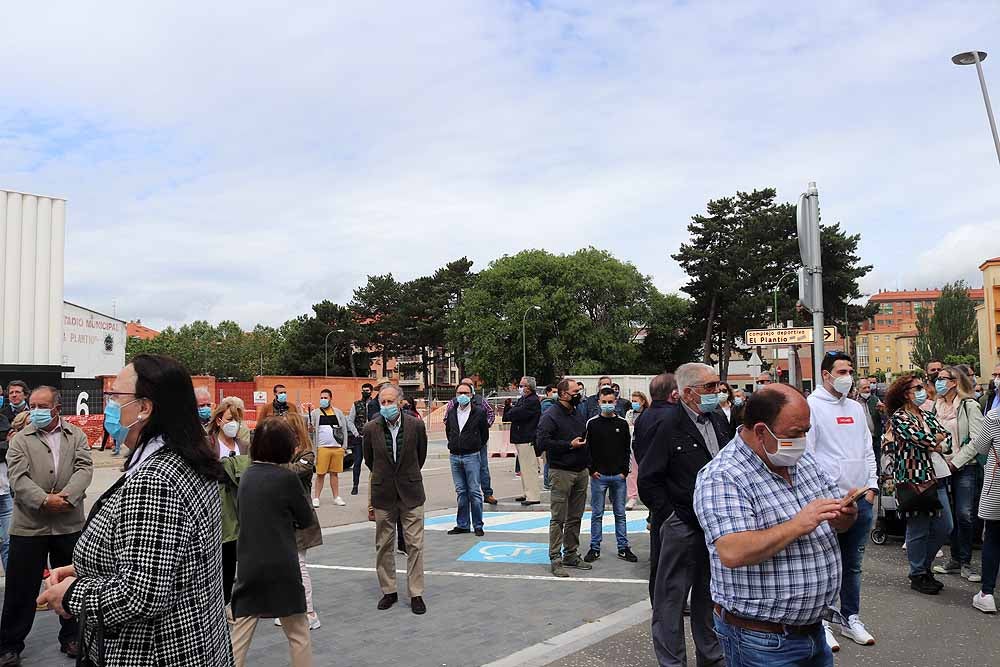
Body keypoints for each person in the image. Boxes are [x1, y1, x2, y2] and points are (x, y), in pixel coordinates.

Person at [36, 355, 232, 666]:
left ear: (144, 408)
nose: (110, 404)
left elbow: (142, 594)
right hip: (194, 646)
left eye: (116, 396)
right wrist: (88, 570)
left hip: (153, 652)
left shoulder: (154, 481)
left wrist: (74, 594)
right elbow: (165, 559)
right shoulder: (185, 461)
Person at [694, 384, 859, 667]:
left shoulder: (801, 459)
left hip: (813, 631)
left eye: (806, 431)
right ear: (760, 431)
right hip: (762, 641)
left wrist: (845, 514)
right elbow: (733, 551)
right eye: (795, 434)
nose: (803, 441)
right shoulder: (723, 476)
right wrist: (797, 524)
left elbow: (837, 520)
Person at [639, 363, 730, 666]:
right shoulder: (667, 425)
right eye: (710, 387)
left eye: (718, 385)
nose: (717, 391)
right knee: (671, 601)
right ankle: (673, 662)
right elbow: (648, 479)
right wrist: (669, 517)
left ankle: (711, 657)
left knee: (710, 597)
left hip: (716, 527)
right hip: (682, 525)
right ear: (689, 393)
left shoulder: (718, 420)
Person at [0, 386, 92, 663]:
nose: (36, 411)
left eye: (42, 406)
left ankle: (73, 637)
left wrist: (67, 497)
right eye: (33, 405)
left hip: (68, 523)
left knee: (73, 584)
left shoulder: (76, 435)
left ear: (57, 408)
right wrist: (43, 500)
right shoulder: (20, 439)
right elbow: (17, 476)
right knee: (20, 587)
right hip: (30, 526)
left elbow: (84, 468)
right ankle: (9, 645)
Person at [806, 352, 878, 651]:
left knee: (853, 565)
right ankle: (821, 622)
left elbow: (867, 447)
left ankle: (850, 617)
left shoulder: (856, 407)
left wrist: (872, 486)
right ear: (826, 375)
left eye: (850, 370)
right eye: (841, 371)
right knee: (824, 565)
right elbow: (807, 456)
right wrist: (822, 496)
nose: (848, 376)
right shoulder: (811, 406)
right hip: (830, 502)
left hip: (861, 498)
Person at [230, 417, 315, 667]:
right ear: (285, 446)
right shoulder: (286, 477)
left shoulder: (246, 476)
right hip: (282, 563)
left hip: (249, 563)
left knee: (241, 631)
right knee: (298, 633)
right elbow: (305, 517)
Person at [362, 384, 428, 614]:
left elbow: (421, 456)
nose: (387, 406)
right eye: (383, 402)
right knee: (384, 545)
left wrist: (406, 477)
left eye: (391, 402)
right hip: (383, 493)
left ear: (400, 402)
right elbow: (370, 462)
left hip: (411, 492)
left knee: (415, 545)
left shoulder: (416, 426)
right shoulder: (370, 428)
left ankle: (416, 593)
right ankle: (388, 590)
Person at [886, 374, 954, 595]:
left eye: (922, 386)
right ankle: (918, 573)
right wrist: (935, 440)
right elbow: (922, 439)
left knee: (945, 526)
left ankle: (924, 566)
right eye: (917, 388)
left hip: (937, 475)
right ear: (906, 393)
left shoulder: (926, 414)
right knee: (919, 528)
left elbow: (948, 439)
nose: (923, 390)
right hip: (914, 478)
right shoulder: (899, 417)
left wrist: (936, 442)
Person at [932, 366, 985, 583]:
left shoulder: (969, 406)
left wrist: (957, 462)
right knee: (949, 516)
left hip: (965, 467)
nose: (938, 382)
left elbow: (978, 440)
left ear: (955, 382)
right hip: (942, 466)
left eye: (943, 378)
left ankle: (965, 561)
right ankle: (954, 559)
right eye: (937, 379)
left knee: (964, 514)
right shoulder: (937, 405)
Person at [949, 389, 1000, 612]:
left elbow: (980, 448)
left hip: (997, 483)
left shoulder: (994, 416)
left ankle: (987, 593)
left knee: (994, 537)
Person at [537, 378, 591, 578]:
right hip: (561, 472)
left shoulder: (577, 413)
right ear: (563, 394)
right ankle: (555, 558)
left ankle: (571, 554)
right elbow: (541, 443)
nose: (579, 394)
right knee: (558, 517)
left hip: (580, 471)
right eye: (575, 391)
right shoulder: (550, 416)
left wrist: (588, 464)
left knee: (575, 516)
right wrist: (568, 445)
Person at [275, 414, 323, 630]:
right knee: (284, 566)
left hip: (299, 518)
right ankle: (288, 609)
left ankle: (309, 612)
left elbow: (294, 472)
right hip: (280, 516)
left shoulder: (307, 454)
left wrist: (270, 464)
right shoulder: (279, 453)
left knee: (299, 565)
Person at [584, 388, 637, 564]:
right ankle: (594, 547)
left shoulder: (622, 424)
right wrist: (592, 470)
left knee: (620, 514)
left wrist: (624, 472)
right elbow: (587, 449)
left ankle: (623, 547)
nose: (607, 405)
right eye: (604, 402)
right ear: (598, 403)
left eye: (610, 401)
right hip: (599, 477)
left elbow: (626, 450)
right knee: (596, 514)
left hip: (618, 477)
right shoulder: (591, 424)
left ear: (616, 402)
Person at [210, 397, 249, 606]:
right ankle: (220, 602)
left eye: (237, 419)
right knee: (221, 558)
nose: (233, 424)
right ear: (218, 421)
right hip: (217, 508)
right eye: (229, 419)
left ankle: (231, 601)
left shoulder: (243, 445)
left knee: (234, 558)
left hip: (238, 508)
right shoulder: (209, 444)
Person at [445, 382, 490, 536]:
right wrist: (454, 444)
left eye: (466, 393)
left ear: (471, 395)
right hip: (455, 456)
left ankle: (478, 524)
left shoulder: (479, 412)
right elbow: (449, 431)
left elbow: (484, 434)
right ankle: (463, 524)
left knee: (474, 491)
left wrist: (474, 444)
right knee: (461, 491)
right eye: (459, 393)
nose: (462, 396)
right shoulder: (451, 412)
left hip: (472, 455)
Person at [443, 377, 496, 505]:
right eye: (461, 391)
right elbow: (447, 422)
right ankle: (466, 500)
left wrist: (479, 431)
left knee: (483, 468)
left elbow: (490, 415)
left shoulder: (480, 401)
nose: (463, 395)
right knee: (462, 481)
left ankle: (487, 493)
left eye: (469, 387)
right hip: (459, 447)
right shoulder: (453, 405)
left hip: (477, 444)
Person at [308, 389, 351, 508]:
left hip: (337, 448)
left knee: (334, 474)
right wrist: (310, 429)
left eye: (325, 398)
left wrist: (344, 447)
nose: (323, 400)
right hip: (322, 448)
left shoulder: (338, 412)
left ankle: (336, 496)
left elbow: (344, 430)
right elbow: (310, 431)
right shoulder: (315, 413)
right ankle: (316, 497)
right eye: (321, 398)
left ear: (331, 399)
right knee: (320, 474)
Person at [504, 376, 542, 507]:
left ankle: (533, 495)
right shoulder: (523, 399)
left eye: (522, 385)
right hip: (520, 437)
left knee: (529, 468)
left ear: (529, 387)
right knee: (524, 468)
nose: (520, 388)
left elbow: (517, 413)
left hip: (527, 437)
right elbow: (510, 414)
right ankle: (527, 492)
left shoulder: (532, 401)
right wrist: (511, 410)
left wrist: (511, 410)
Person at [0, 412, 30, 573]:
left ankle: (11, 577)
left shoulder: (4, 420)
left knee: (8, 542)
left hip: (5, 492)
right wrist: (6, 444)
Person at [346, 383, 375, 495]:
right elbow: (350, 420)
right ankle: (355, 485)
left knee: (374, 462)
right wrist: (356, 433)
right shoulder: (356, 404)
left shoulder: (375, 404)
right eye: (363, 390)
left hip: (372, 438)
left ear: (371, 391)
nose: (364, 392)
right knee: (357, 462)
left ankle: (375, 484)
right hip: (359, 438)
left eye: (367, 390)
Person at [624, 391, 648, 510]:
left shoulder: (648, 413)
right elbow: (627, 427)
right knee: (632, 473)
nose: (634, 404)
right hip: (632, 446)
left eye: (636, 401)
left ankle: (647, 496)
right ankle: (632, 497)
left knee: (646, 472)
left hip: (646, 447)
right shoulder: (629, 413)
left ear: (643, 401)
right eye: (632, 401)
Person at [857, 378, 883, 459]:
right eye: (864, 388)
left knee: (876, 460)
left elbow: (884, 417)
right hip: (861, 438)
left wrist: (882, 411)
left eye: (868, 387)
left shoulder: (875, 399)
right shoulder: (855, 402)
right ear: (858, 389)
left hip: (875, 437)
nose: (867, 390)